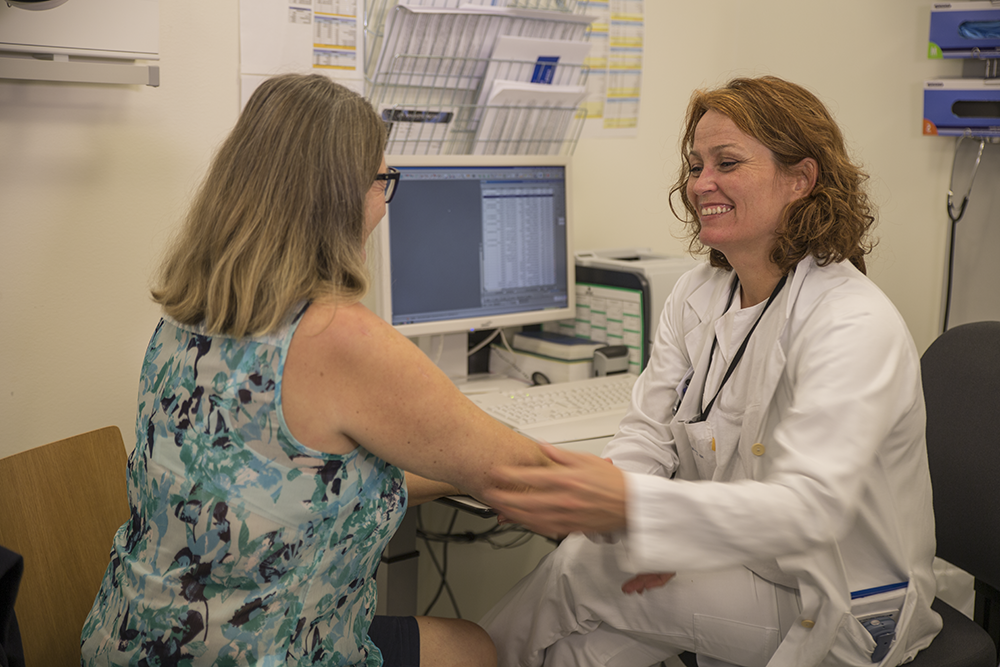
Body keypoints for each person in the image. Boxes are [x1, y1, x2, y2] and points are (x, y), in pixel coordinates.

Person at [79, 73, 550, 667]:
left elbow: (292, 484)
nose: (385, 200)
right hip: (260, 654)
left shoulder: (185, 314)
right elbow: (522, 469)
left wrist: (463, 471)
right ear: (338, 196)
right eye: (384, 180)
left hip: (130, 641)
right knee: (474, 647)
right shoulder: (338, 336)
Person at [479, 76, 942, 667]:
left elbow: (809, 507)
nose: (702, 184)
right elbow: (648, 431)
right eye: (695, 165)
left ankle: (463, 656)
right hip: (740, 561)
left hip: (839, 597)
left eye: (727, 163)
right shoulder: (698, 294)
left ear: (801, 180)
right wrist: (626, 522)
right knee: (579, 648)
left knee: (581, 569)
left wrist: (639, 513)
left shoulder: (852, 322)